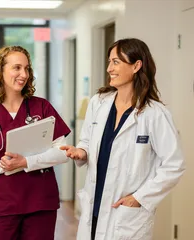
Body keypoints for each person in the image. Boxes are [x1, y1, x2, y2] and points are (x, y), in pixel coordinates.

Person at [60, 38, 185, 240]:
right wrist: (81, 151)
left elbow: (174, 165)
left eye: (116, 62)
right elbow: (86, 141)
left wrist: (139, 198)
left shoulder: (155, 113)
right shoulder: (98, 102)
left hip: (125, 216)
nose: (109, 68)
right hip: (94, 206)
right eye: (109, 61)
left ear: (136, 65)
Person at [0, 46, 71, 240]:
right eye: (17, 68)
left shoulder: (42, 107)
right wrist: (5, 165)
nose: (24, 74)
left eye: (27, 69)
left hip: (40, 203)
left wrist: (25, 162)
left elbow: (62, 152)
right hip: (1, 206)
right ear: (0, 71)